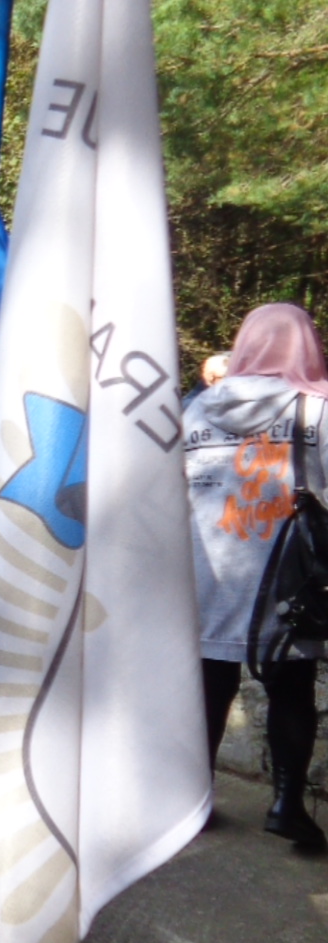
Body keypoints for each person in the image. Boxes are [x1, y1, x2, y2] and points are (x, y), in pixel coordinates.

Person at [184, 303, 327, 851]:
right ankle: (287, 803)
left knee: (208, 682)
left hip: (207, 570)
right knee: (291, 686)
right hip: (288, 575)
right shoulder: (316, 409)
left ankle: (193, 800)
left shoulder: (197, 409)